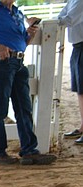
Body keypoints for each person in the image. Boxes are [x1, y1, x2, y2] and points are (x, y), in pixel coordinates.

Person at [0, 0, 57, 165]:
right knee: (0, 108)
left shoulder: (18, 14)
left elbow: (22, 44)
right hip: (1, 63)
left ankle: (29, 149)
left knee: (24, 107)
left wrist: (29, 35)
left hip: (18, 63)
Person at [58, 0, 83, 144]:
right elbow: (61, 15)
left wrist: (56, 21)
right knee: (80, 90)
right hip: (77, 47)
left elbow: (68, 19)